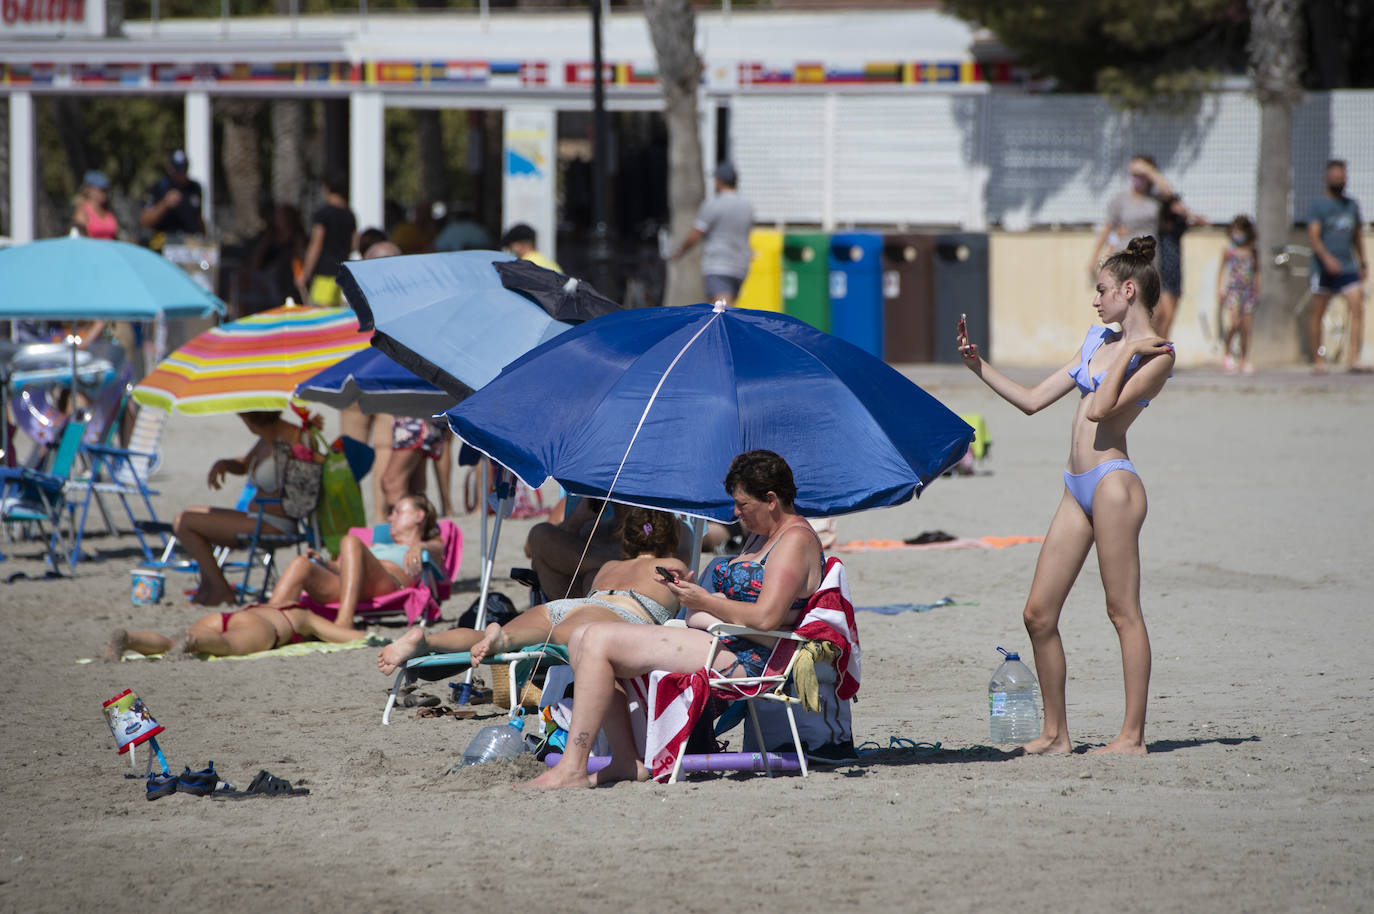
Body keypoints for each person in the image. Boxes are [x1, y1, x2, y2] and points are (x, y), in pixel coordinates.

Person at [957, 236, 1174, 756]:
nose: (1095, 301)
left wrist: (1125, 352)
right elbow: (1033, 401)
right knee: (1038, 614)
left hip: (1114, 485)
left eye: (1102, 291)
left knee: (1122, 612)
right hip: (1075, 487)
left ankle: (1131, 737)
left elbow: (1101, 410)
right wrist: (977, 366)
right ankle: (1056, 734)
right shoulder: (1100, 339)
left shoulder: (1159, 355)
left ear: (1129, 289)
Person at [527, 450, 824, 789]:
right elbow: (753, 602)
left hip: (751, 658)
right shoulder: (765, 534)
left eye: (742, 504)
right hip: (721, 638)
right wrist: (693, 593)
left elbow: (767, 616)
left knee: (596, 640)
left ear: (771, 499)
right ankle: (626, 762)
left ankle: (573, 768)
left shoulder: (794, 540)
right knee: (582, 636)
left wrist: (704, 600)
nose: (735, 513)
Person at [377, 506, 689, 675]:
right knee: (551, 638)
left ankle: (426, 640)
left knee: (487, 636)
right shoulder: (673, 565)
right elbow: (691, 603)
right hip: (615, 613)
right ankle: (506, 638)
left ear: (627, 539)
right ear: (671, 539)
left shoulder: (609, 566)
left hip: (573, 604)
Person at [172, 411, 311, 607]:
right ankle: (210, 584)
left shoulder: (296, 438)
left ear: (254, 419)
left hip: (275, 522)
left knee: (186, 522)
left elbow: (305, 488)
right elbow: (245, 464)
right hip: (256, 516)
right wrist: (226, 464)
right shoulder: (265, 439)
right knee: (186, 515)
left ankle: (220, 589)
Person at [260, 493, 443, 630]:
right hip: (353, 587)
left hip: (388, 583)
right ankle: (265, 622)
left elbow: (437, 549)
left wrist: (419, 547)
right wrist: (325, 563)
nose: (390, 518)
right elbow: (346, 568)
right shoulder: (375, 545)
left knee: (350, 541)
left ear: (419, 516)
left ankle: (345, 621)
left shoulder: (427, 546)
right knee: (301, 564)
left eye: (397, 512)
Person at [103, 605, 365, 660]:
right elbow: (351, 638)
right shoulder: (303, 615)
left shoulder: (275, 603)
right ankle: (192, 640)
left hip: (227, 615)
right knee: (226, 644)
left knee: (172, 643)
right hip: (263, 628)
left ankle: (130, 638)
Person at [1306, 159, 1368, 373]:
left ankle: (1354, 359)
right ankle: (1318, 360)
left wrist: (1363, 262)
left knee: (1357, 307)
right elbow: (1314, 237)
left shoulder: (1352, 205)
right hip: (1323, 268)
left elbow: (1357, 236)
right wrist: (1326, 259)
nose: (1339, 182)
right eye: (1335, 179)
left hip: (1348, 266)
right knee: (1318, 312)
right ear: (1326, 180)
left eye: (1342, 179)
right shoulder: (1317, 205)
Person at [672, 161, 754, 306]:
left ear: (719, 181)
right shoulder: (747, 206)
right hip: (740, 266)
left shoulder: (713, 204)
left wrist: (680, 251)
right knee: (727, 307)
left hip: (718, 264)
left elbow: (696, 234)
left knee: (720, 311)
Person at [523, 496, 625, 601]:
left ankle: (614, 564)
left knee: (594, 577)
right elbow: (531, 549)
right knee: (539, 534)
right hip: (569, 597)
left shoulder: (639, 529)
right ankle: (615, 563)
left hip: (608, 596)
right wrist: (577, 519)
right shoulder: (581, 502)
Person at [1089, 155, 1163, 284]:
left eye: (1140, 174)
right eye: (1133, 174)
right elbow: (1108, 227)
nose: (1136, 178)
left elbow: (1169, 191)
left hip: (1149, 257)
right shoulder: (1121, 199)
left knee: (1148, 297)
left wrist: (1149, 171)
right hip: (1125, 256)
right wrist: (1094, 257)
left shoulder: (1156, 199)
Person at [299, 167, 357, 307]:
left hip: (324, 274)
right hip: (341, 273)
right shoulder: (350, 214)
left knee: (319, 316)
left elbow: (316, 245)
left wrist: (305, 274)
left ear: (327, 187)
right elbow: (354, 244)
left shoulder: (323, 214)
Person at [1217, 215, 1261, 374]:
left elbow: (1257, 272)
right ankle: (1227, 354)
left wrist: (1257, 290)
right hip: (1233, 291)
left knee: (1246, 327)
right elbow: (1221, 270)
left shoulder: (1253, 250)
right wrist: (1219, 290)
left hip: (1248, 291)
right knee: (1234, 323)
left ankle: (1244, 359)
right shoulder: (1229, 249)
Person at [140, 149, 206, 246]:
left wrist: (203, 239)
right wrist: (165, 204)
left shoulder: (195, 188)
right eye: (177, 170)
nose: (180, 174)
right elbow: (144, 221)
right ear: (170, 168)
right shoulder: (159, 187)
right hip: (164, 243)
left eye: (183, 169)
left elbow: (199, 219)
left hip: (189, 243)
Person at [71, 170, 118, 240]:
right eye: (100, 189)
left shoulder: (109, 211)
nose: (104, 193)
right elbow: (79, 237)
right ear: (88, 190)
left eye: (106, 190)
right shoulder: (82, 212)